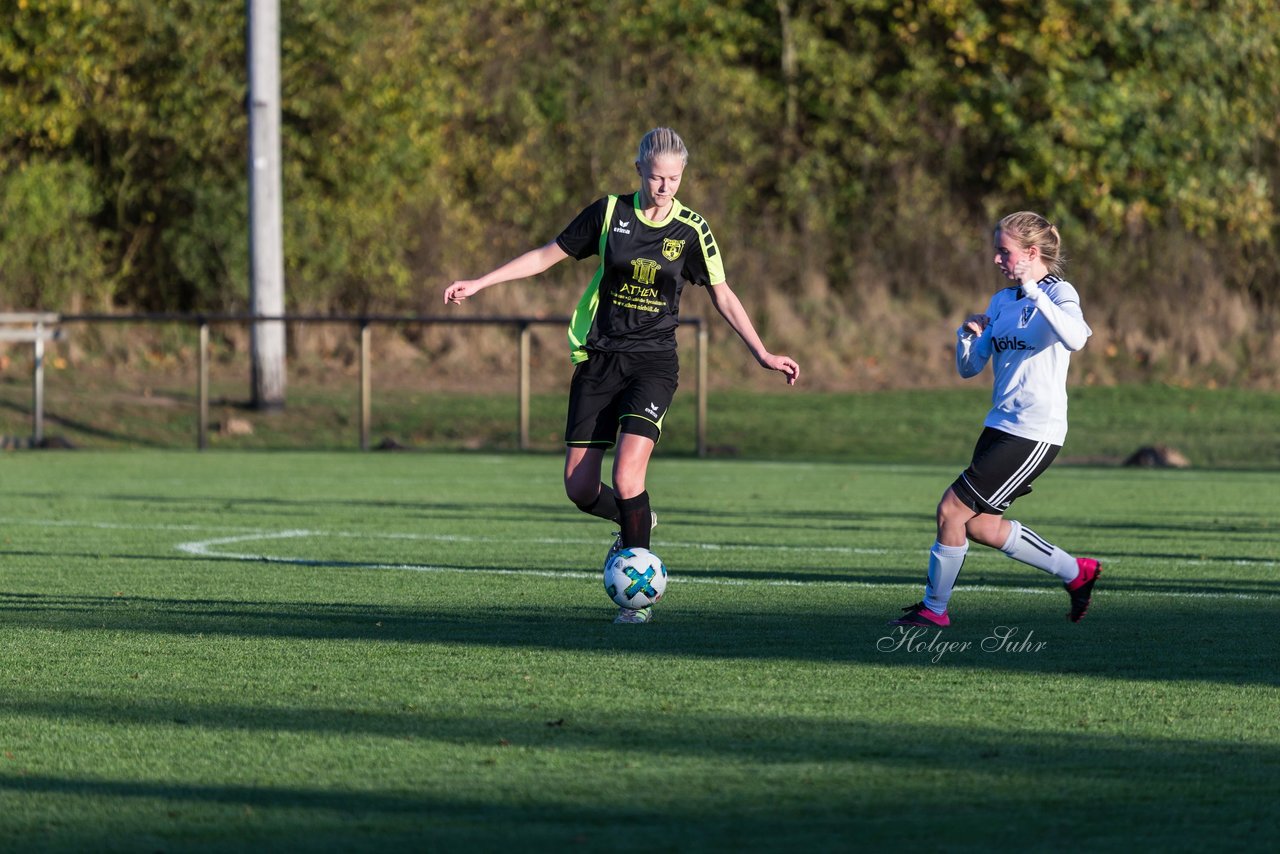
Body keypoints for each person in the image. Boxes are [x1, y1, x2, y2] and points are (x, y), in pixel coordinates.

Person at [443, 127, 800, 624]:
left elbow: (722, 293)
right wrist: (481, 282)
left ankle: (638, 599)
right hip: (600, 359)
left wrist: (761, 352)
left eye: (674, 179)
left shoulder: (692, 230)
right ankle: (636, 519)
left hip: (653, 363)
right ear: (639, 170)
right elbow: (547, 254)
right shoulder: (610, 213)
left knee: (628, 474)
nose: (665, 188)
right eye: (656, 177)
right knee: (579, 489)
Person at [890, 211, 1101, 628]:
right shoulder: (1002, 301)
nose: (996, 260)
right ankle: (1076, 572)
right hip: (1000, 425)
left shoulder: (1060, 293)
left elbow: (1077, 337)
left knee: (951, 511)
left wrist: (1034, 292)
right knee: (983, 527)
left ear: (1031, 253)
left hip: (1034, 431)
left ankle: (934, 609)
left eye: (1004, 252)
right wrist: (966, 337)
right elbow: (970, 368)